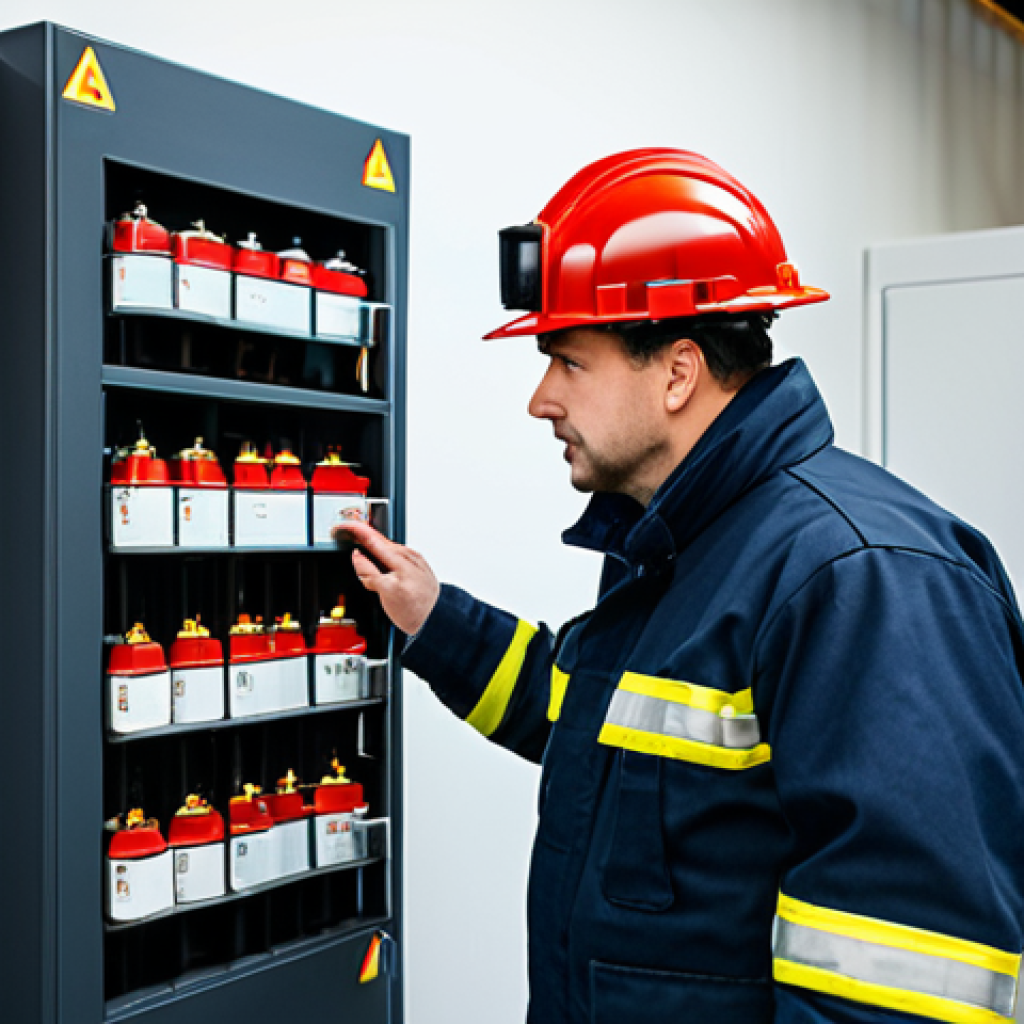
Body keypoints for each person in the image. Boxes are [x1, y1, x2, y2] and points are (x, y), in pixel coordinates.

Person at [338, 150, 1024, 1024]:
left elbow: (911, 991)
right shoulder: (682, 544)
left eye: (569, 362)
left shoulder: (864, 578)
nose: (541, 400)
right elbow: (596, 725)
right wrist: (438, 623)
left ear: (677, 371)